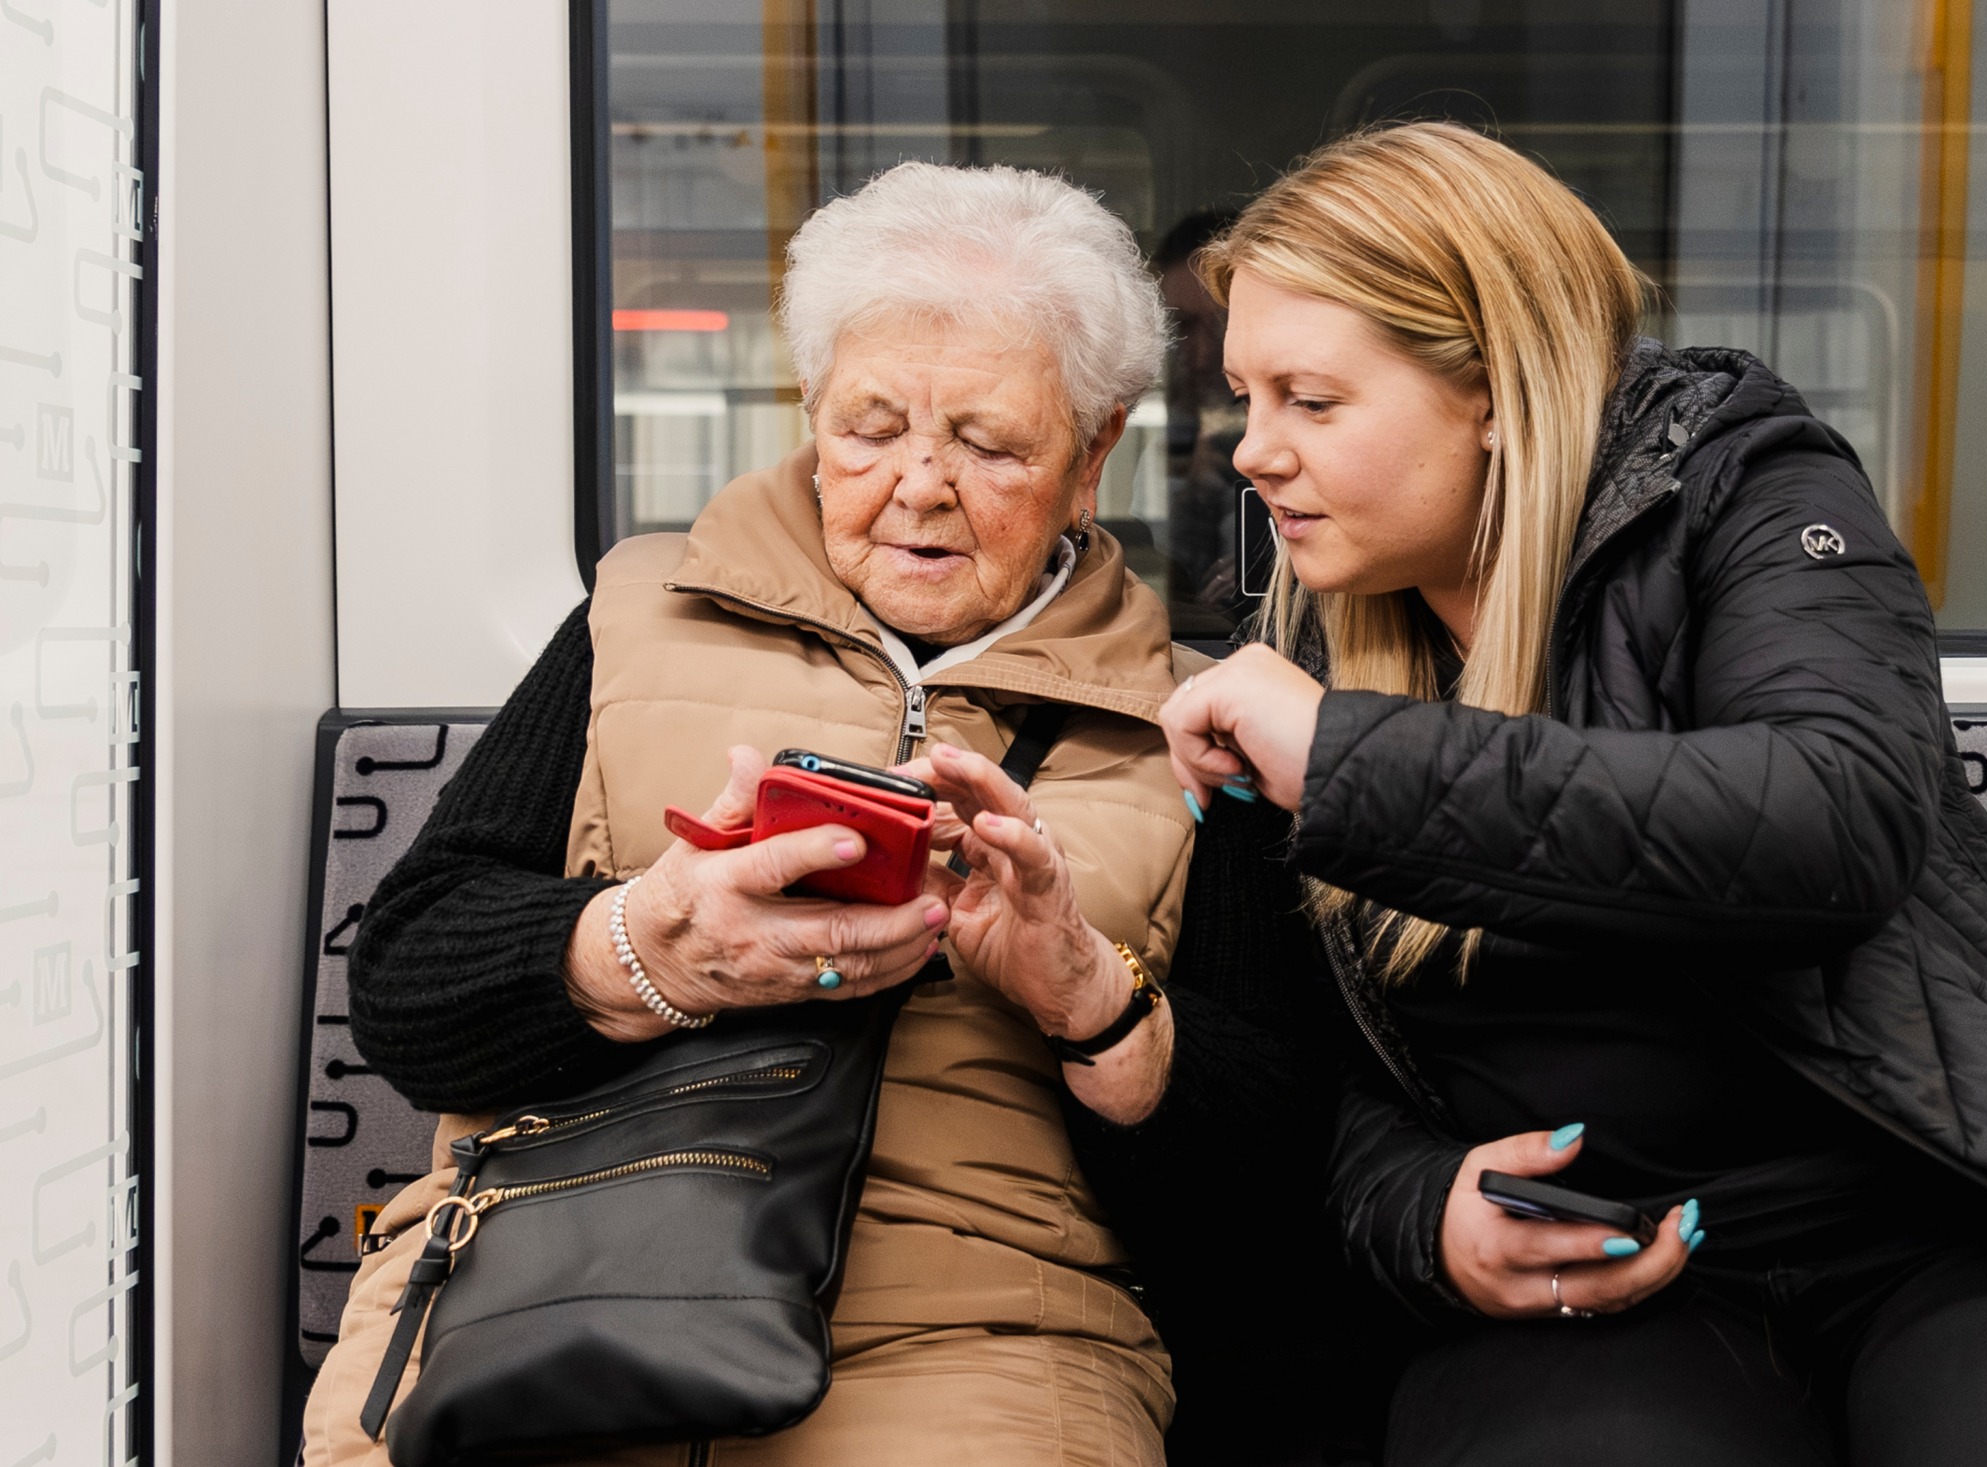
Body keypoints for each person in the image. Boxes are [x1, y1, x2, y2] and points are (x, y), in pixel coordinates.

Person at [1155, 122, 1987, 1467]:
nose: (1253, 452)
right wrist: (1421, 1209)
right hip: (1609, 1272)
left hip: (1944, 1228)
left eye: (1310, 402)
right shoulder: (1312, 642)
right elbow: (1326, 1071)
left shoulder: (1746, 492)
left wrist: (1348, 758)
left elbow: (1833, 817)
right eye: (1243, 399)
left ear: (1493, 384)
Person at [302, 162, 1378, 1467]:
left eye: (985, 441)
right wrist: (655, 945)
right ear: (810, 408)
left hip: (983, 1339)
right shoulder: (629, 621)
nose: (918, 484)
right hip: (550, 1281)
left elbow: (1270, 1182)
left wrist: (1089, 994)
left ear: (1095, 452)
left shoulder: (1200, 723)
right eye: (869, 426)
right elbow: (409, 990)